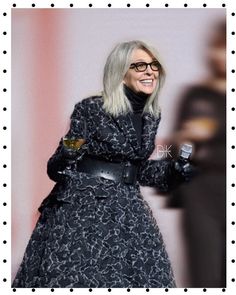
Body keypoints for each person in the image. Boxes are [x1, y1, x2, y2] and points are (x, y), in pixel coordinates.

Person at [12, 40, 193, 288]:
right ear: (120, 73)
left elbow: (138, 170)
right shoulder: (91, 109)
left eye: (154, 65)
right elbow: (56, 168)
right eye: (140, 66)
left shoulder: (152, 115)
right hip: (84, 211)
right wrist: (68, 152)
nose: (150, 71)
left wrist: (175, 170)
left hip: (129, 212)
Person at [168, 20, 226, 287]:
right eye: (217, 48)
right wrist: (186, 140)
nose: (220, 55)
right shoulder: (195, 96)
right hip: (202, 193)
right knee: (206, 274)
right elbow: (177, 153)